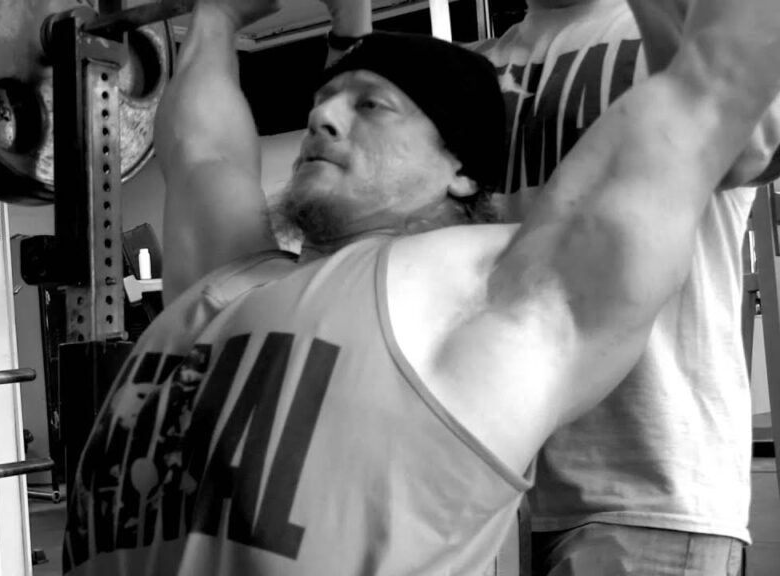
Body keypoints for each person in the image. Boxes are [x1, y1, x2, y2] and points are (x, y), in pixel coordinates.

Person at [62, 0, 780, 573]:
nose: (320, 118)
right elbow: (205, 153)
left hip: (639, 488)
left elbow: (716, 90)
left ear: (460, 170)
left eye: (372, 106)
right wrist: (219, 16)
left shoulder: (484, 301)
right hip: (522, 492)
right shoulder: (233, 276)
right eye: (324, 100)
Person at [326, 0, 780, 573]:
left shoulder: (676, 30)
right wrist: (349, 24)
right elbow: (350, 175)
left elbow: (750, 146)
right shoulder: (471, 67)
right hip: (474, 489)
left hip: (644, 484)